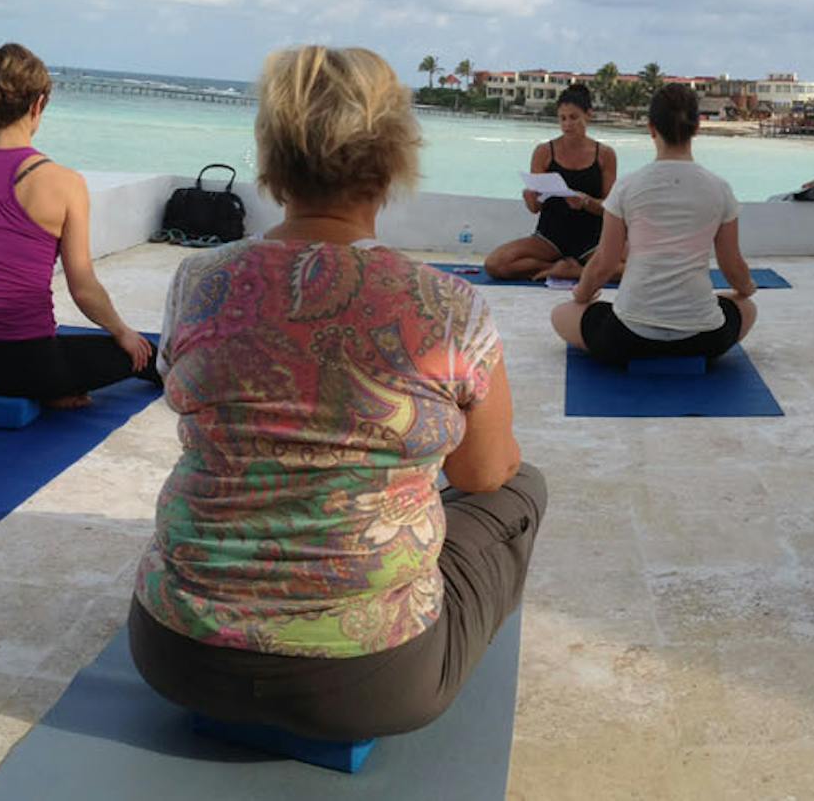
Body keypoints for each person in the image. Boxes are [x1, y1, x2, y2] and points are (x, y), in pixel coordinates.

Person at [129, 46, 544, 742]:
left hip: (178, 656)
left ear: (272, 158)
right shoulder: (446, 307)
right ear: (391, 162)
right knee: (523, 485)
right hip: (373, 683)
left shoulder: (197, 282)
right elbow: (481, 474)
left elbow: (184, 391)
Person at [0, 43, 155, 407]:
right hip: (31, 366)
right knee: (142, 352)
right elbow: (83, 288)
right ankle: (52, 391)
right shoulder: (65, 183)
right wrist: (122, 332)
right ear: (38, 105)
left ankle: (45, 389)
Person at [551, 84, 758, 365]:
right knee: (747, 307)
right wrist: (745, 290)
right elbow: (732, 265)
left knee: (561, 314)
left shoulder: (627, 186)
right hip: (704, 339)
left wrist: (581, 296)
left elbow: (605, 263)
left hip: (626, 338)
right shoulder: (720, 189)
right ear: (696, 128)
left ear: (651, 128)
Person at [485, 83, 616, 282]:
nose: (567, 124)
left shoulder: (605, 155)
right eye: (562, 118)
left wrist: (586, 202)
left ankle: (577, 271)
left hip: (592, 239)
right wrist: (529, 197)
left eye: (573, 117)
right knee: (496, 264)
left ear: (588, 115)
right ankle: (558, 268)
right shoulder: (544, 152)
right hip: (549, 238)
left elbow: (611, 209)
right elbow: (535, 208)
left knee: (636, 268)